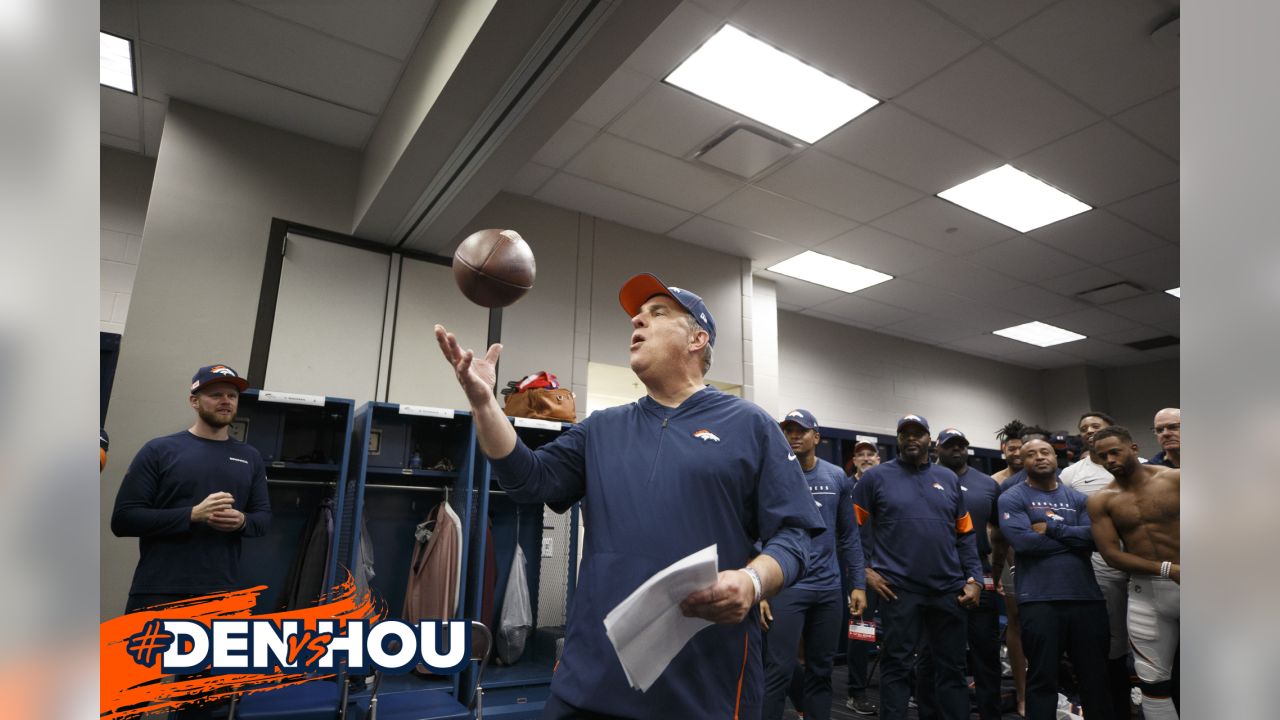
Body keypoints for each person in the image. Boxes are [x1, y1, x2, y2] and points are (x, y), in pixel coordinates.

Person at [434, 273, 824, 719]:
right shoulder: (603, 427)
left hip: (702, 690)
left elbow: (796, 536)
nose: (637, 319)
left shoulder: (750, 425)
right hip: (590, 681)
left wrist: (753, 583)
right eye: (637, 315)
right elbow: (528, 480)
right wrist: (485, 404)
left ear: (698, 339)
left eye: (658, 313)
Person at [111, 364, 271, 613]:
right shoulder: (159, 450)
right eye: (216, 395)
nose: (226, 401)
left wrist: (241, 521)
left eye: (232, 395)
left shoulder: (250, 457)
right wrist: (192, 515)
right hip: (157, 591)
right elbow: (123, 520)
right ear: (194, 401)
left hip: (219, 594)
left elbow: (263, 519)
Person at [853, 414, 983, 720]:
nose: (912, 438)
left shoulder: (949, 479)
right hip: (898, 590)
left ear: (929, 440)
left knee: (951, 668)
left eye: (918, 433)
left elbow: (965, 534)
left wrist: (975, 578)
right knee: (897, 666)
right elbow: (850, 531)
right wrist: (864, 570)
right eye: (905, 434)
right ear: (897, 440)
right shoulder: (875, 478)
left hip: (948, 590)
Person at [996, 439, 1114, 720]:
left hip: (1086, 598)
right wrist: (1074, 538)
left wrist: (1049, 529)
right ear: (1021, 462)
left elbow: (1096, 539)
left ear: (1055, 458)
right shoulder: (1012, 497)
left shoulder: (1079, 499)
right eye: (1031, 454)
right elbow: (1024, 544)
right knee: (1042, 679)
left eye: (1045, 452)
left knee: (1096, 680)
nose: (1039, 457)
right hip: (1039, 600)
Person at [761, 409, 866, 720]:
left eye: (801, 430)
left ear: (816, 437)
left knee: (821, 671)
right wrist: (761, 589)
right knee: (777, 670)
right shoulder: (772, 475)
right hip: (787, 586)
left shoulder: (835, 477)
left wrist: (858, 583)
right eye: (788, 430)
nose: (793, 436)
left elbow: (849, 536)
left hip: (828, 589)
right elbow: (757, 536)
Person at [1088, 426, 1181, 720]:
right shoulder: (1102, 500)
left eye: (1115, 451)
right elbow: (1111, 555)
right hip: (1147, 591)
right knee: (1151, 680)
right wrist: (1166, 568)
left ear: (1134, 448)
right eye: (1103, 456)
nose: (1110, 459)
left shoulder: (1176, 479)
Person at [915, 428, 1002, 720]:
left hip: (978, 570)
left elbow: (999, 532)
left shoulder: (987, 484)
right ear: (937, 448)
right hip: (936, 574)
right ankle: (931, 713)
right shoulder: (923, 478)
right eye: (950, 445)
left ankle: (991, 713)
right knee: (931, 654)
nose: (957, 450)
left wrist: (997, 571)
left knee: (985, 651)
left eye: (961, 445)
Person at [1061, 412, 1137, 720]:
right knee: (1112, 640)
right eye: (1084, 429)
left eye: (1096, 426)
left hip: (1148, 565)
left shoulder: (1141, 466)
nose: (1090, 431)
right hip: (1101, 565)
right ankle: (1119, 706)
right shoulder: (1071, 474)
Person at [844, 440, 881, 715]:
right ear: (854, 460)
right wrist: (860, 571)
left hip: (891, 572)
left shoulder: (887, 483)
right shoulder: (844, 486)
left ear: (878, 459)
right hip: (860, 572)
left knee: (901, 632)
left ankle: (909, 688)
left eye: (871, 454)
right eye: (861, 455)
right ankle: (856, 692)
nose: (866, 458)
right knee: (861, 631)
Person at [989, 419, 1026, 485]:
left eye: (1021, 448)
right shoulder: (994, 481)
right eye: (1012, 449)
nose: (1017, 453)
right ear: (1004, 449)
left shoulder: (1039, 478)